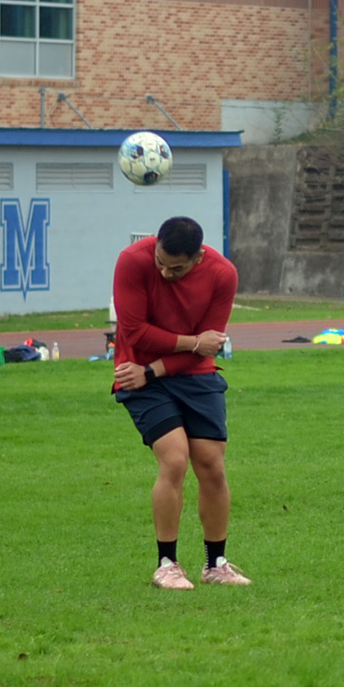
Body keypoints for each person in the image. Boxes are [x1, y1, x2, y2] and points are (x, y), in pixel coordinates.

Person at [112, 216, 250, 589]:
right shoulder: (132, 260)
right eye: (161, 261)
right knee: (174, 459)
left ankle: (215, 564)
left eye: (176, 268)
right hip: (136, 374)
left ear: (198, 258)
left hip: (187, 374)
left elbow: (210, 344)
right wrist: (187, 345)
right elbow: (135, 331)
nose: (165, 272)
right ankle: (167, 565)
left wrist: (156, 369)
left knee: (213, 467)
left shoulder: (223, 274)